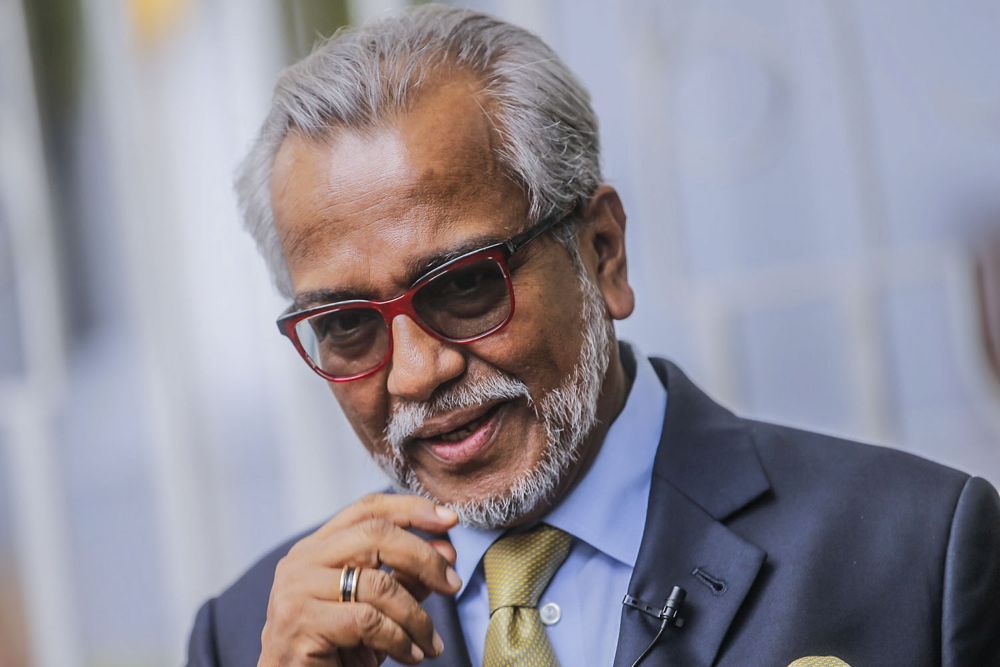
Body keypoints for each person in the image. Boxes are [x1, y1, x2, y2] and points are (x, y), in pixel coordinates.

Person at [187, 5, 1000, 666]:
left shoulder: (914, 555)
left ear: (602, 252)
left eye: (466, 284)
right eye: (346, 327)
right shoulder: (256, 635)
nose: (414, 372)